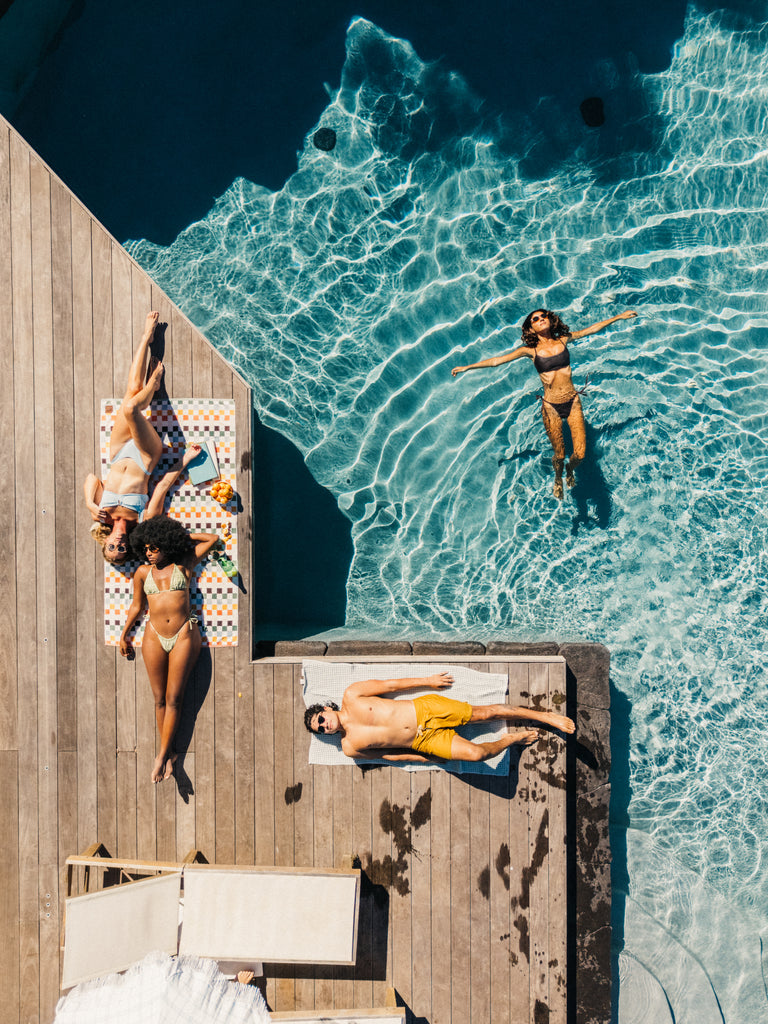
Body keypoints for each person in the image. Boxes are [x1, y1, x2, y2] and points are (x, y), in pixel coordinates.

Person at [452, 308, 637, 498]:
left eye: (543, 316)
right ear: (531, 329)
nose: (541, 319)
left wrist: (618, 317)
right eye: (535, 319)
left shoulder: (563, 339)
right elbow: (497, 361)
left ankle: (570, 470)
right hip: (551, 407)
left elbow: (590, 330)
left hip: (573, 402)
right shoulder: (530, 350)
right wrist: (468, 367)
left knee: (580, 455)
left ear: (550, 320)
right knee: (559, 455)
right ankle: (558, 477)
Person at [83, 311, 196, 562]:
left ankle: (147, 338)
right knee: (131, 408)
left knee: (131, 393)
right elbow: (163, 487)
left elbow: (92, 478)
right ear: (128, 547)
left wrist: (90, 503)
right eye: (121, 550)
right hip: (146, 457)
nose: (118, 545)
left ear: (106, 542)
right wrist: (185, 460)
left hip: (119, 451)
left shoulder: (100, 514)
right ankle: (154, 382)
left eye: (111, 548)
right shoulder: (143, 520)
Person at [119, 515, 219, 783]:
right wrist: (124, 634)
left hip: (183, 633)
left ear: (166, 544)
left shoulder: (184, 565)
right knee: (159, 700)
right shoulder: (142, 573)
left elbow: (212, 539)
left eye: (155, 547)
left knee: (175, 698)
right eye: (147, 548)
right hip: (152, 634)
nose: (149, 553)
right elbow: (137, 606)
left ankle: (161, 757)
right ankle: (171, 754)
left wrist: (179, 540)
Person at [304, 672, 575, 763]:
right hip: (423, 741)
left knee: (486, 713)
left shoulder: (352, 695)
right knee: (477, 755)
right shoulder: (350, 748)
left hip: (426, 709)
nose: (324, 725)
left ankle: (544, 715)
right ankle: (510, 740)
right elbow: (388, 755)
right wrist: (423, 758)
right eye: (320, 729)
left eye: (320, 718)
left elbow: (390, 686)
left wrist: (428, 681)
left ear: (326, 709)